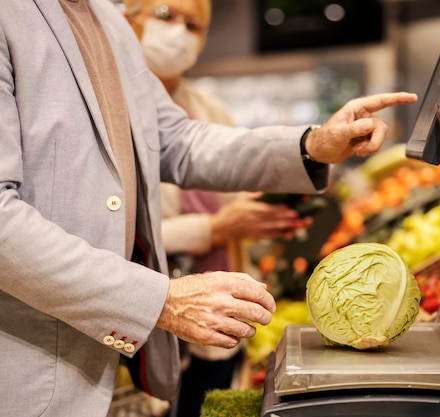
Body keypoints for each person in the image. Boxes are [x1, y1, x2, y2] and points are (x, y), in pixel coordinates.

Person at [0, 1, 417, 416]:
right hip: (22, 371)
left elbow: (177, 139)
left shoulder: (109, 21)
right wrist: (161, 300)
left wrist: (311, 145)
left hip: (100, 360)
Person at [123, 1, 311, 415]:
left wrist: (259, 213)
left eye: (195, 25)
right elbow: (115, 232)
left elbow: (224, 180)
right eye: (168, 16)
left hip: (219, 318)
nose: (180, 34)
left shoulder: (209, 110)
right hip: (148, 316)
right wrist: (215, 228)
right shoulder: (112, 109)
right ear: (126, 16)